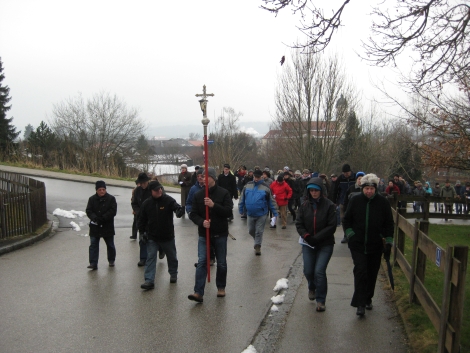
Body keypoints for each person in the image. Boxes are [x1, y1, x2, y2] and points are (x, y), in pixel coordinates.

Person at [343, 173, 394, 316]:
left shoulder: (383, 203)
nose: (369, 191)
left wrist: (388, 241)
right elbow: (346, 220)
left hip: (375, 245)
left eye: (372, 188)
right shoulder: (355, 200)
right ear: (362, 188)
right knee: (360, 271)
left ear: (375, 188)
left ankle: (368, 298)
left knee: (372, 273)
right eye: (366, 188)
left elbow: (389, 224)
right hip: (357, 244)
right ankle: (360, 304)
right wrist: (350, 234)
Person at [188, 167, 233, 303]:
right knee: (202, 261)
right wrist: (202, 222)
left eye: (206, 176)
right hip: (204, 233)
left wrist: (213, 205)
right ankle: (198, 292)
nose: (203, 178)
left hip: (220, 233)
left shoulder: (224, 193)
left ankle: (221, 287)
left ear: (213, 178)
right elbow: (193, 214)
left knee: (221, 262)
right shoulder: (198, 194)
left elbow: (228, 212)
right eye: (202, 176)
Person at [296, 177, 336, 312]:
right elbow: (299, 224)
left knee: (319, 271)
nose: (314, 193)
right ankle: (311, 286)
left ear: (321, 191)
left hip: (325, 243)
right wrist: (307, 236)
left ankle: (321, 300)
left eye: (316, 191)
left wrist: (317, 238)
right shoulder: (304, 206)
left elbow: (332, 226)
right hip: (308, 243)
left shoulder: (329, 205)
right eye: (311, 191)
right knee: (308, 270)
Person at [138, 181, 184, 290]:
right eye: (156, 190)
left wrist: (179, 210)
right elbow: (141, 220)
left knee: (172, 256)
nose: (159, 191)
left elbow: (176, 207)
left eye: (160, 189)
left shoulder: (168, 200)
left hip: (167, 236)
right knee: (151, 257)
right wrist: (142, 233)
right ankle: (149, 280)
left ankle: (173, 273)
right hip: (152, 237)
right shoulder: (146, 204)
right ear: (151, 192)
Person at [238, 169, 278, 255]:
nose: (256, 179)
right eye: (255, 177)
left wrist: (275, 213)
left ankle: (257, 246)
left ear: (261, 177)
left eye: (258, 177)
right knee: (251, 230)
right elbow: (242, 198)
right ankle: (257, 240)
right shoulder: (247, 186)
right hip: (250, 213)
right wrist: (240, 209)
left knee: (259, 231)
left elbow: (271, 201)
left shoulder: (266, 188)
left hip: (262, 214)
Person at [86, 180, 117, 270]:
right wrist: (95, 218)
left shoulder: (111, 199)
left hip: (107, 226)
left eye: (103, 189)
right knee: (93, 245)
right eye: (100, 189)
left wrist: (103, 218)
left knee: (110, 245)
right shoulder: (92, 199)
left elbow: (113, 211)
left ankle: (111, 260)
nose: (102, 191)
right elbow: (89, 211)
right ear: (96, 190)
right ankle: (93, 263)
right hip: (95, 226)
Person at [131, 172, 156, 266]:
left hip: (153, 217)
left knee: (155, 238)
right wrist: (138, 211)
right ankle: (143, 258)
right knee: (142, 238)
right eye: (140, 183)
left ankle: (161, 250)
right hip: (141, 218)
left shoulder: (153, 189)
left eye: (143, 183)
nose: (142, 185)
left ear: (147, 181)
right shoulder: (137, 190)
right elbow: (134, 203)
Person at [333, 164, 356, 243]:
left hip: (353, 202)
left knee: (354, 219)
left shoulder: (355, 177)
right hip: (343, 201)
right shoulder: (340, 179)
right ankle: (346, 235)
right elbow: (336, 190)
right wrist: (335, 202)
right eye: (344, 173)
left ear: (350, 171)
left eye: (347, 173)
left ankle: (354, 234)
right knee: (343, 219)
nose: (346, 174)